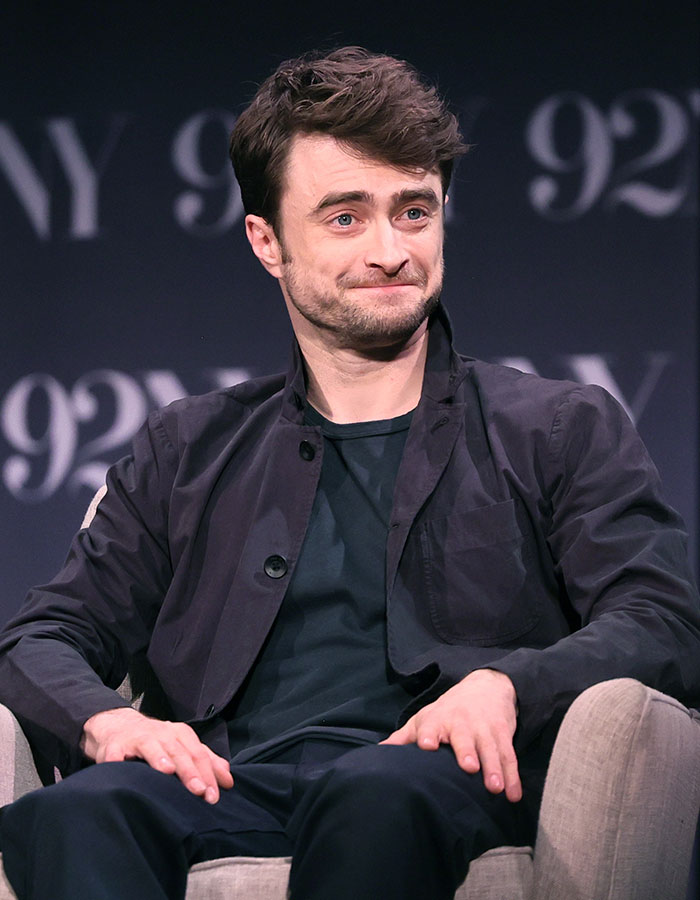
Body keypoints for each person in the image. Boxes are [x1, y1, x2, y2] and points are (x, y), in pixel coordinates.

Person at [0, 46, 699, 900]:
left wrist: (508, 683)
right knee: (76, 813)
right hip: (233, 782)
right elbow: (41, 635)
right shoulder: (187, 449)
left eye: (414, 211)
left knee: (372, 793)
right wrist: (106, 721)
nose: (390, 249)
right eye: (345, 218)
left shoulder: (557, 426)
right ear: (267, 241)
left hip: (433, 780)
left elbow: (663, 617)